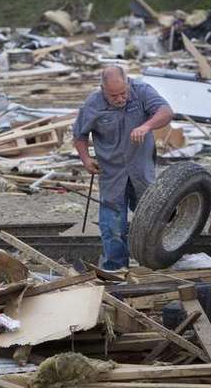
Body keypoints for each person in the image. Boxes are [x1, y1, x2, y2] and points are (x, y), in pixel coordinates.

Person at [72, 66, 173, 270]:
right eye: (113, 96)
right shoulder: (93, 103)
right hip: (112, 173)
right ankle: (116, 269)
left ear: (128, 84)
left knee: (153, 215)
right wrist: (86, 160)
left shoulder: (142, 91)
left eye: (123, 93)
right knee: (112, 225)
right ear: (103, 90)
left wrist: (146, 126)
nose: (120, 99)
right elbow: (79, 135)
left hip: (141, 170)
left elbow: (166, 112)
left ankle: (158, 260)